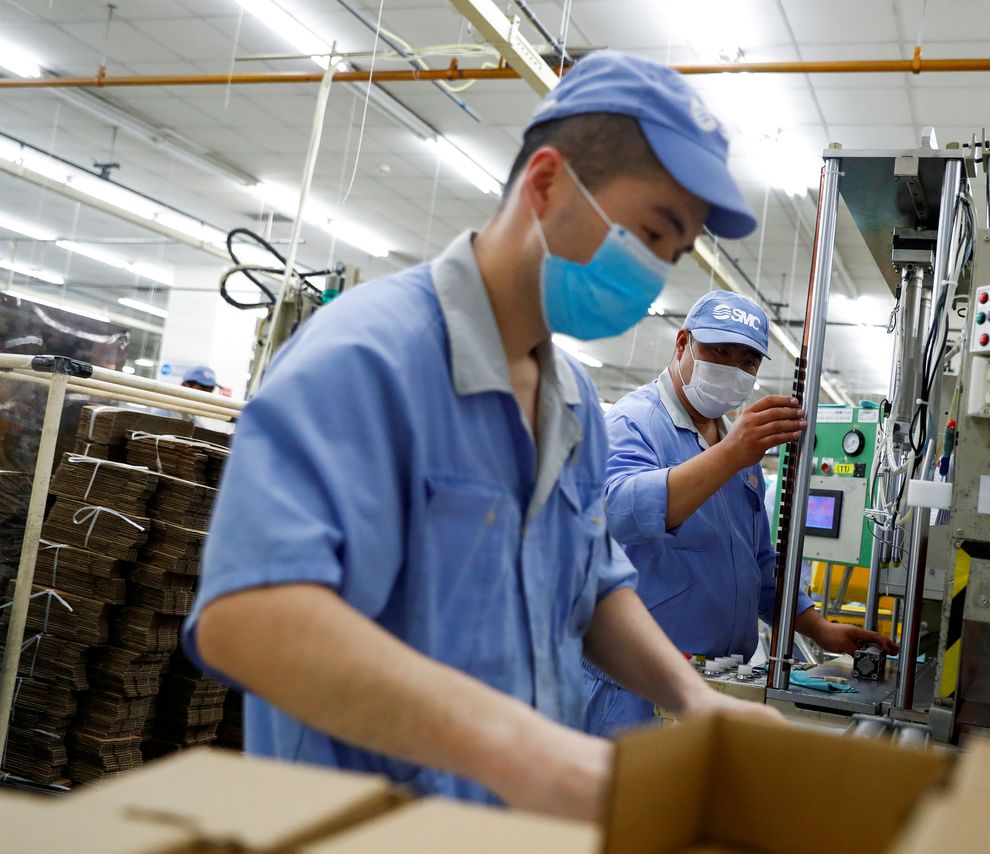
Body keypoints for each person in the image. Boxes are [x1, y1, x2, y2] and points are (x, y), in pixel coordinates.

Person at [183, 51, 779, 823]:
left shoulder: (572, 402)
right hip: (362, 825)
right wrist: (516, 747)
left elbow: (594, 586)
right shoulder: (367, 361)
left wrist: (695, 700)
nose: (655, 272)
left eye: (672, 254)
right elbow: (249, 620)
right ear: (546, 182)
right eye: (651, 234)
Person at [583, 291, 899, 736]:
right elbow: (615, 511)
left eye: (748, 361)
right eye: (720, 352)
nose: (734, 368)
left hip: (712, 684)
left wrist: (818, 628)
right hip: (631, 689)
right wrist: (730, 453)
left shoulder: (739, 451)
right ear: (682, 343)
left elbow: (757, 565)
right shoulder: (632, 422)